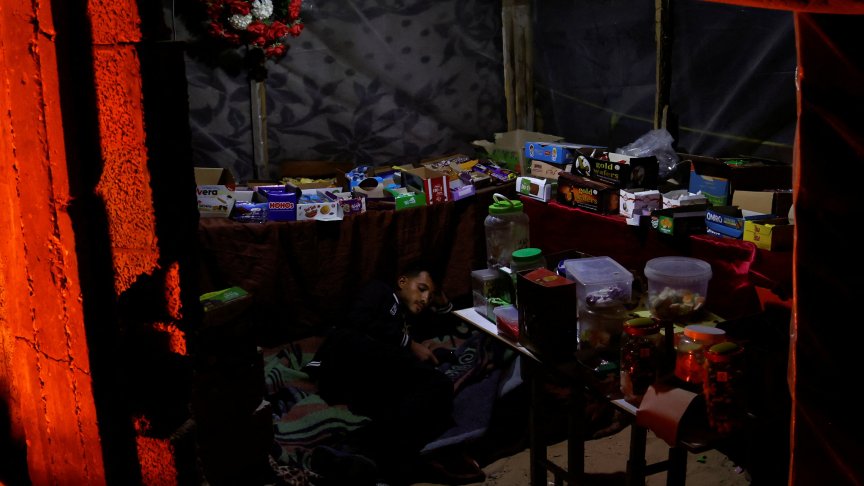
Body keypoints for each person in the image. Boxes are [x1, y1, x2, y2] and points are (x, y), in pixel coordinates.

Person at [304, 259, 471, 486]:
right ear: (402, 282)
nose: (425, 299)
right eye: (422, 289)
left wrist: (442, 302)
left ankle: (360, 454)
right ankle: (374, 454)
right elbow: (357, 321)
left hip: (377, 379)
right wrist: (409, 345)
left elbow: (448, 327)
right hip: (348, 359)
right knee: (435, 384)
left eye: (430, 296)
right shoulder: (380, 292)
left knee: (434, 396)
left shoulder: (410, 320)